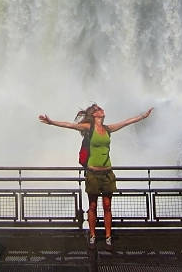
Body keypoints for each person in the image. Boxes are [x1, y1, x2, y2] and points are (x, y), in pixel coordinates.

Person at [38, 103, 154, 250]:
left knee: (107, 206)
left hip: (107, 173)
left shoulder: (107, 129)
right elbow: (70, 125)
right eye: (99, 109)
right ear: (95, 114)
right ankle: (92, 234)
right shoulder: (89, 128)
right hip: (93, 173)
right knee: (92, 206)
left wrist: (143, 116)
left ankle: (108, 236)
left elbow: (126, 122)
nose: (102, 110)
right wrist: (52, 122)